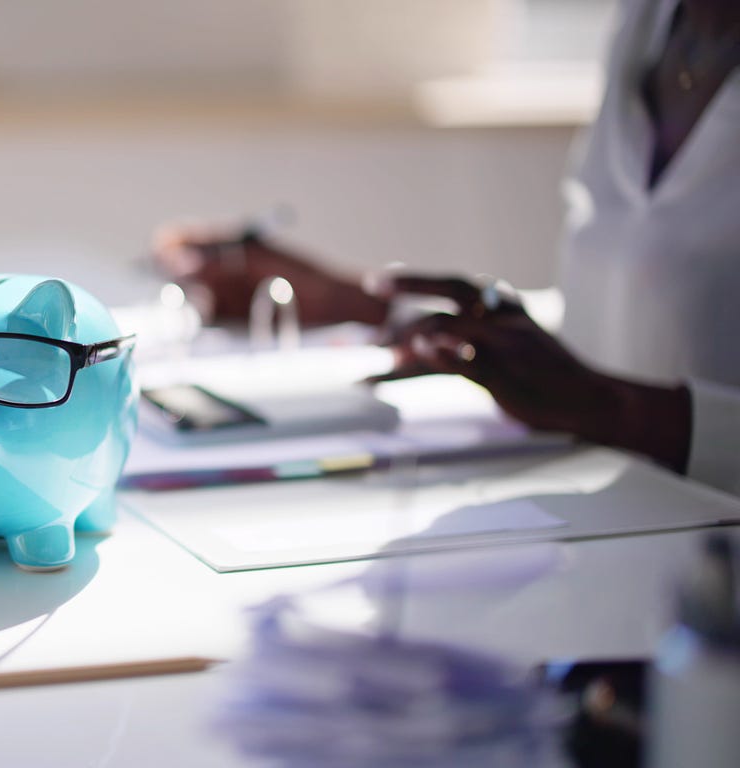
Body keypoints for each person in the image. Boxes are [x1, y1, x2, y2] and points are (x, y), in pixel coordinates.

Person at [154, 0, 740, 496]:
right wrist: (356, 302)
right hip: (622, 519)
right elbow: (618, 337)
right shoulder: (649, 19)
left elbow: (609, 390)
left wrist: (617, 410)